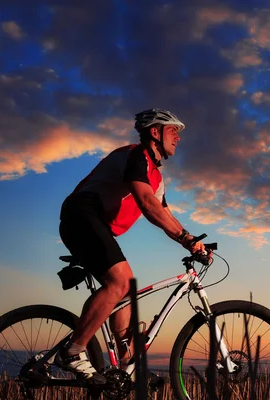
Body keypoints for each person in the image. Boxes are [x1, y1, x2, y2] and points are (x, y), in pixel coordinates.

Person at [56, 108, 209, 385]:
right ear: (155, 132)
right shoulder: (136, 156)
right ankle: (73, 351)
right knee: (121, 282)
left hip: (95, 224)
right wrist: (186, 238)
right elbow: (148, 205)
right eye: (173, 131)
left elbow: (164, 213)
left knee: (126, 291)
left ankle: (126, 365)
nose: (178, 138)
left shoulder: (156, 177)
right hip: (81, 215)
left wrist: (192, 244)